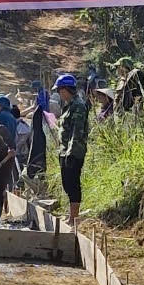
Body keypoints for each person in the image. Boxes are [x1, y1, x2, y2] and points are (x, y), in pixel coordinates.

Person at [55, 73, 89, 226]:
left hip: (74, 151)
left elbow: (77, 131)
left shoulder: (78, 106)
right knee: (66, 183)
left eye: (59, 90)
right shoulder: (68, 106)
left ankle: (74, 218)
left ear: (66, 89)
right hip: (64, 150)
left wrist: (71, 152)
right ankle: (71, 216)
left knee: (73, 183)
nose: (59, 94)